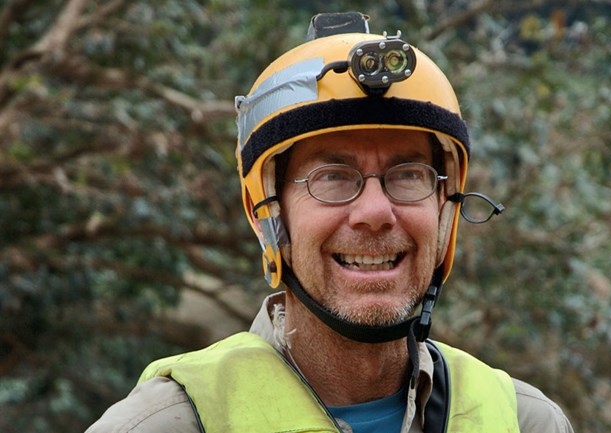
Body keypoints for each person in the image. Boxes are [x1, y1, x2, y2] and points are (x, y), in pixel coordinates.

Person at [86, 12, 574, 433]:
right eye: (332, 177)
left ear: (446, 206)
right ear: (270, 214)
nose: (375, 213)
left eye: (409, 175)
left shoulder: (524, 420)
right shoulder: (169, 423)